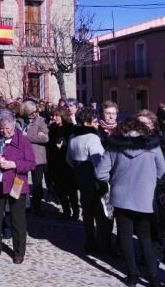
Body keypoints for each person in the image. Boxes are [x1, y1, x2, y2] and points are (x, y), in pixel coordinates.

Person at [96, 118, 165, 287]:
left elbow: (100, 173)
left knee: (124, 236)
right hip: (145, 199)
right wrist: (149, 182)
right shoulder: (153, 146)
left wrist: (114, 180)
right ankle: (154, 278)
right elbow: (162, 170)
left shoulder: (114, 145)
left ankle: (132, 275)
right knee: (146, 238)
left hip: (121, 198)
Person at [0, 110, 36, 264]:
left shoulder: (23, 141)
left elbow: (31, 164)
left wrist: (14, 164)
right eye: (1, 129)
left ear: (14, 125)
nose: (4, 132)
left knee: (18, 219)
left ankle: (18, 252)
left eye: (8, 129)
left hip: (17, 183)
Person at [66, 107, 108, 253]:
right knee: (100, 212)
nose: (97, 124)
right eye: (95, 121)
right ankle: (104, 244)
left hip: (79, 175)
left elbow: (69, 159)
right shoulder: (93, 138)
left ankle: (89, 240)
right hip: (93, 176)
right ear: (86, 122)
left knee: (87, 210)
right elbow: (99, 162)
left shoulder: (72, 136)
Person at [47, 107, 79, 219]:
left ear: (62, 116)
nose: (54, 118)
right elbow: (49, 144)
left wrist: (64, 146)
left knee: (71, 189)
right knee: (60, 189)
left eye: (57, 115)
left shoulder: (70, 128)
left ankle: (75, 211)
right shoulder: (51, 128)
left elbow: (74, 144)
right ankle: (66, 210)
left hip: (68, 163)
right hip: (56, 162)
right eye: (53, 115)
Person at [19, 100, 49, 215]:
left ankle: (37, 207)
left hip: (37, 157)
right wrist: (36, 136)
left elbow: (45, 138)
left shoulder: (41, 121)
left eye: (35, 111)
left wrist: (27, 136)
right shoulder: (20, 121)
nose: (34, 114)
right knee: (20, 181)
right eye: (32, 112)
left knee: (37, 183)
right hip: (22, 156)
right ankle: (21, 205)